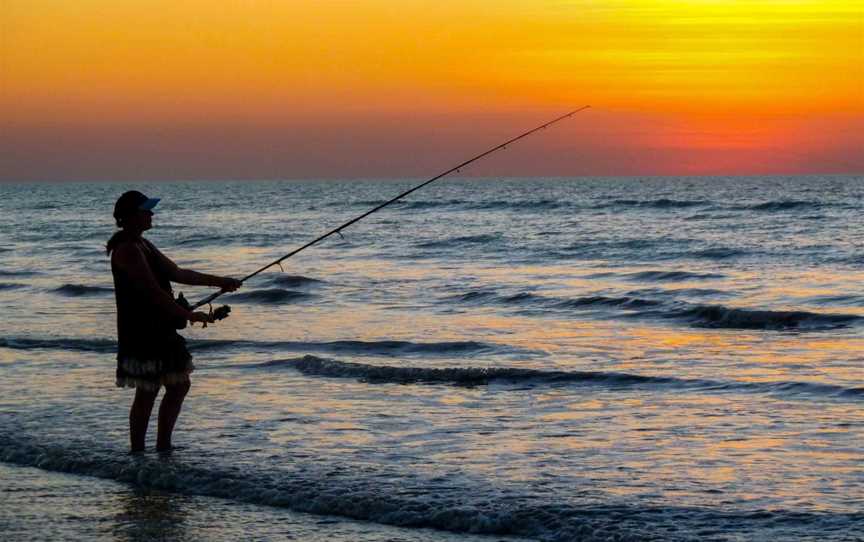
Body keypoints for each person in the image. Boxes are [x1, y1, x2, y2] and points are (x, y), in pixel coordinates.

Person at [106, 190, 242, 452]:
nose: (151, 214)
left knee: (178, 385)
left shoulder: (143, 244)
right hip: (142, 332)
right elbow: (152, 293)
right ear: (133, 216)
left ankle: (162, 446)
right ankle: (139, 451)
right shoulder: (127, 250)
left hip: (161, 327)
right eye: (146, 210)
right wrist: (189, 315)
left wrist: (221, 281)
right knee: (148, 391)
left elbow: (178, 273)